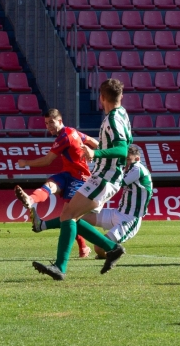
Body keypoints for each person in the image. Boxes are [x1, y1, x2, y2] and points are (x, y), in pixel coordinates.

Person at [32, 79, 132, 280]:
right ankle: (112, 248)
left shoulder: (112, 119)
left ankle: (60, 267)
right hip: (103, 176)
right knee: (71, 216)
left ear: (102, 98)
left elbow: (123, 150)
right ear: (120, 96)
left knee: (68, 215)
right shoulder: (121, 113)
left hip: (106, 176)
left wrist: (96, 154)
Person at [34, 145, 152, 259]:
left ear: (137, 159)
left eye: (128, 160)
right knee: (76, 216)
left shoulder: (138, 168)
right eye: (124, 159)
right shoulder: (130, 168)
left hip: (130, 219)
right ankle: (42, 225)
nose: (125, 163)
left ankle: (110, 254)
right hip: (117, 213)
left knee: (99, 248)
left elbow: (118, 182)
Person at [13, 109, 98, 258]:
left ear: (60, 121)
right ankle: (31, 199)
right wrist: (96, 152)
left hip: (79, 179)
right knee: (51, 184)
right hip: (67, 174)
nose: (49, 126)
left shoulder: (64, 137)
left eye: (51, 122)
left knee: (69, 217)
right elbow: (92, 140)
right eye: (46, 123)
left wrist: (25, 162)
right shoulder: (73, 131)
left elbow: (47, 161)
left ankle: (87, 246)